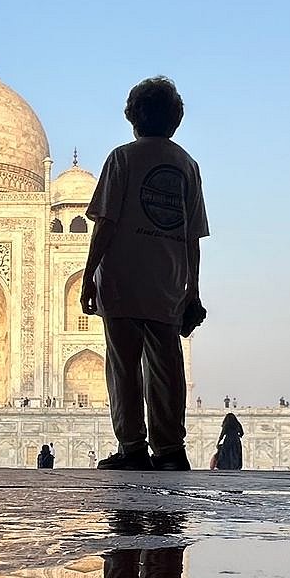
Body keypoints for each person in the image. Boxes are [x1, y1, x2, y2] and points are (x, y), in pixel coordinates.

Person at [81, 77, 208, 472]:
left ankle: (132, 447)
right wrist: (193, 290)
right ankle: (170, 449)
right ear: (176, 120)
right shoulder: (187, 165)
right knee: (167, 368)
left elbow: (105, 224)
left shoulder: (122, 158)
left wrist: (88, 276)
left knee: (124, 368)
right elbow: (192, 237)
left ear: (132, 117)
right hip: (167, 283)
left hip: (121, 281)